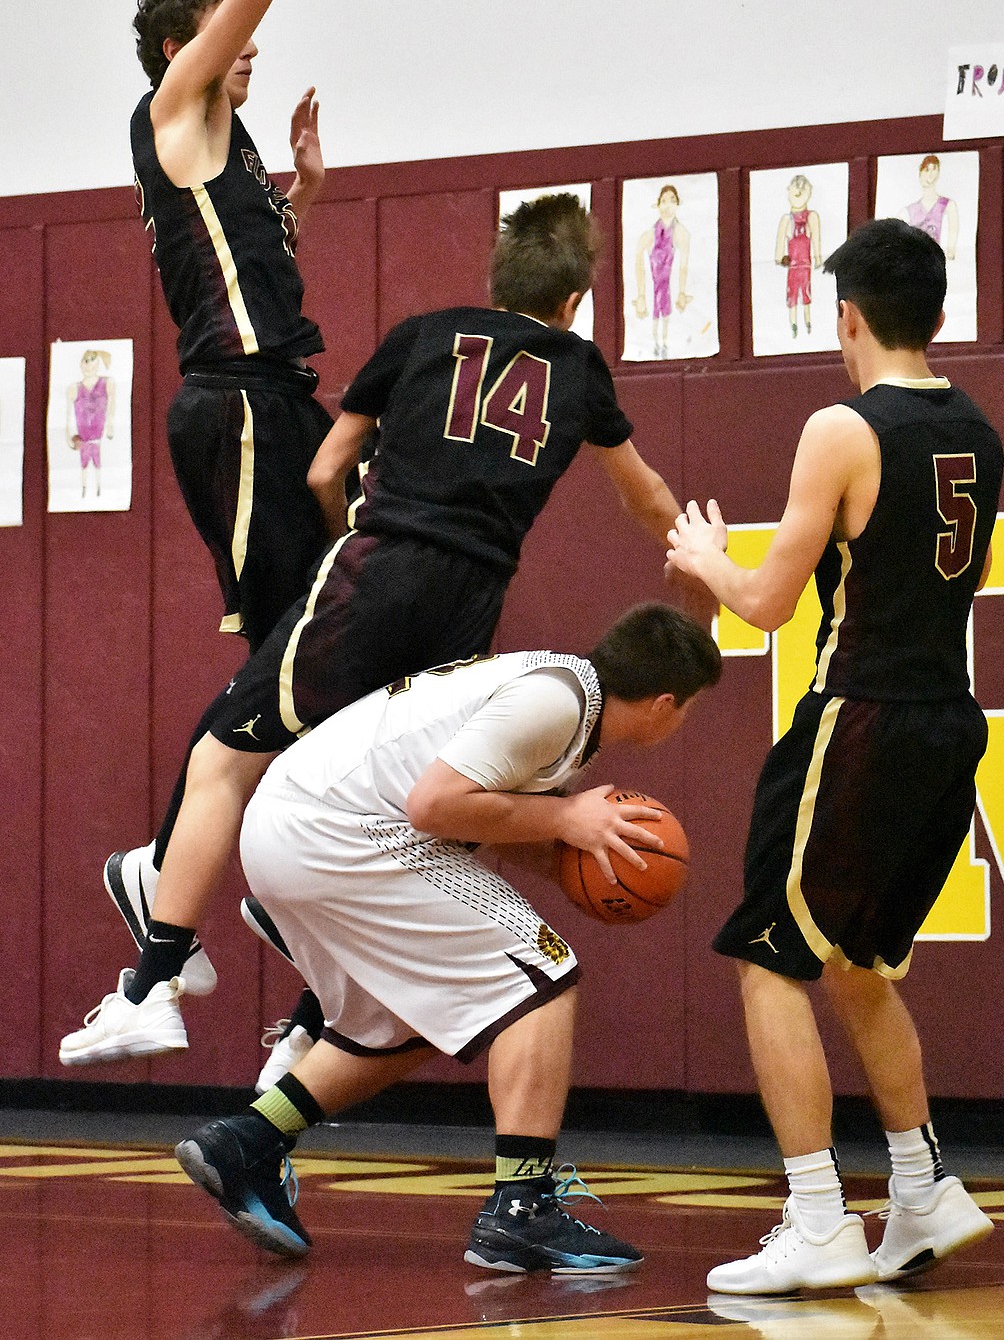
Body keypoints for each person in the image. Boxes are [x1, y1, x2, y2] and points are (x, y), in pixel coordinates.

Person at [61, 194, 705, 1068]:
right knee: (385, 797)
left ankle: (155, 983)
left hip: (383, 567)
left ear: (496, 277)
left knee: (223, 758)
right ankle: (309, 1019)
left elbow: (328, 466)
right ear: (574, 300)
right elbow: (646, 496)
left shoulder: (424, 332)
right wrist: (695, 562)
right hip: (473, 602)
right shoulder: (580, 368)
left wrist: (342, 538)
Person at [172, 603, 722, 1272]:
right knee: (543, 977)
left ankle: (246, 1140)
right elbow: (434, 804)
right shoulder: (554, 704)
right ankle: (519, 1210)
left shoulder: (560, 691)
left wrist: (571, 852)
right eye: (690, 708)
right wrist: (569, 814)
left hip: (297, 829)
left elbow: (484, 814)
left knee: (406, 1022)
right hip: (341, 832)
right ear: (666, 702)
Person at [666, 218, 1002, 1296]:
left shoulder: (841, 429)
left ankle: (817, 1216)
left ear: (844, 315)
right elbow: (963, 572)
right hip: (949, 720)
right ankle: (922, 1190)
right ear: (939, 316)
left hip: (858, 716)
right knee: (862, 968)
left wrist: (706, 559)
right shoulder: (981, 434)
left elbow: (765, 607)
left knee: (771, 962)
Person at [131, 0, 333, 655]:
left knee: (337, 616)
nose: (251, 45)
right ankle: (216, 786)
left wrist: (307, 190)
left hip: (278, 395)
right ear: (182, 50)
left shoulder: (226, 144)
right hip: (234, 400)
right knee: (284, 648)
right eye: (228, 30)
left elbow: (256, 262)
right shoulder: (175, 109)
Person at [632, 183, 691, 358]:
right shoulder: (650, 234)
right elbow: (638, 258)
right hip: (652, 285)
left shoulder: (681, 232)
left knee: (667, 317)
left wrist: (682, 291)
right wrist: (641, 294)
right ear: (658, 205)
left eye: (672, 200)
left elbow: (683, 266)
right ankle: (657, 344)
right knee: (654, 317)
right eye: (664, 201)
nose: (668, 205)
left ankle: (664, 343)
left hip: (669, 286)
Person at [775, 175, 822, 340]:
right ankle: (794, 325)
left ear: (810, 192)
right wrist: (780, 258)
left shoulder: (812, 217)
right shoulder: (786, 220)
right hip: (793, 268)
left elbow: (816, 239)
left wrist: (818, 258)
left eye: (803, 187)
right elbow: (779, 245)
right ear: (788, 191)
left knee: (806, 295)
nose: (799, 189)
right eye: (795, 186)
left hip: (805, 266)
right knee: (792, 297)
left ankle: (808, 324)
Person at [67, 348, 115, 499]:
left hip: (99, 437)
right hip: (83, 437)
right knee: (84, 465)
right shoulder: (74, 388)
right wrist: (68, 434)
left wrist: (110, 425)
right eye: (86, 363)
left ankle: (100, 489)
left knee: (98, 464)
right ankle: (84, 489)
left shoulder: (107, 383)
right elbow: (68, 414)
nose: (89, 368)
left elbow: (112, 405)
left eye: (93, 364)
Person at [902, 154, 958, 258]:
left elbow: (952, 233)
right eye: (927, 170)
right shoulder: (910, 210)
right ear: (920, 173)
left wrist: (950, 250)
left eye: (934, 169)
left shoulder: (947, 205)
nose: (930, 174)